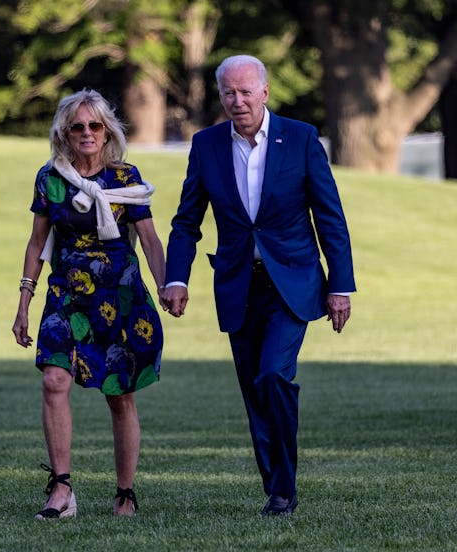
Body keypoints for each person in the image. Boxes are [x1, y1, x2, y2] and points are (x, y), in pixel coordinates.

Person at [161, 55, 355, 517]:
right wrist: (176, 276)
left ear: (265, 92)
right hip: (237, 284)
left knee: (273, 375)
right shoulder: (206, 145)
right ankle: (277, 487)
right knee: (253, 388)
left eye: (246, 91)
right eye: (229, 92)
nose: (238, 100)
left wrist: (341, 286)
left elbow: (330, 217)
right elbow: (187, 220)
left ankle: (284, 490)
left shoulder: (302, 138)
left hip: (293, 281)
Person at [12, 89, 166, 519]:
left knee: (119, 395)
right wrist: (24, 301)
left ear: (107, 130)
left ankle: (125, 493)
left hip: (120, 294)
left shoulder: (125, 178)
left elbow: (151, 242)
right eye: (77, 126)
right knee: (54, 382)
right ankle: (61, 490)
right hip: (66, 293)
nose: (86, 133)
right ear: (64, 131)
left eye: (94, 126)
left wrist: (169, 285)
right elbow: (36, 243)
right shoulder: (51, 179)